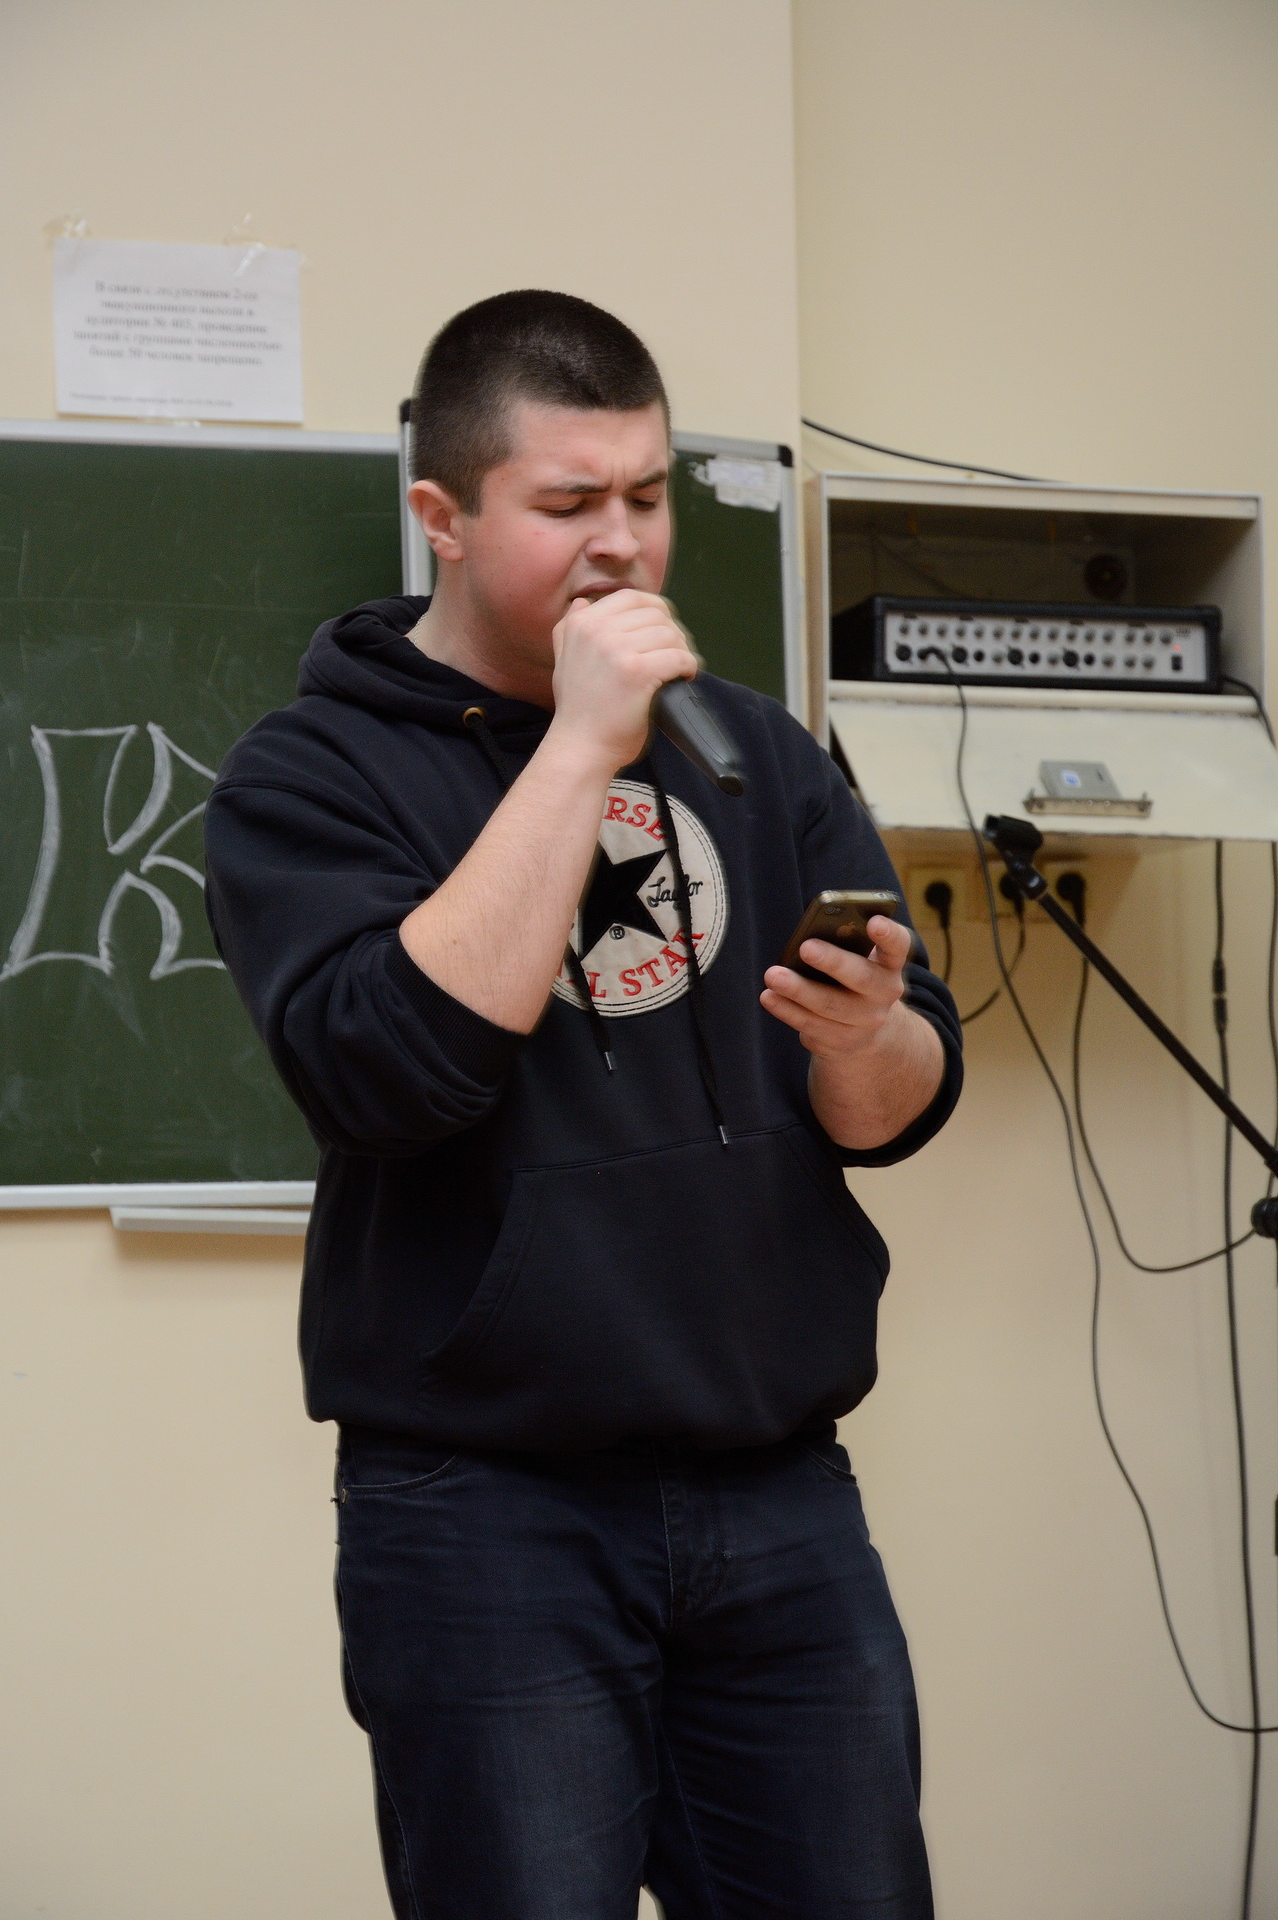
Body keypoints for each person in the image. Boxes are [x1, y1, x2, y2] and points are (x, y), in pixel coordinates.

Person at [203, 289, 963, 1920]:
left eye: (647, 495)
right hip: (486, 1517)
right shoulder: (310, 774)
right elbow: (390, 1073)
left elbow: (899, 1103)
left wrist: (865, 1038)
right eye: (568, 504)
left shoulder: (758, 752)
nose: (622, 544)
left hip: (780, 1490)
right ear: (444, 517)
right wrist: (579, 748)